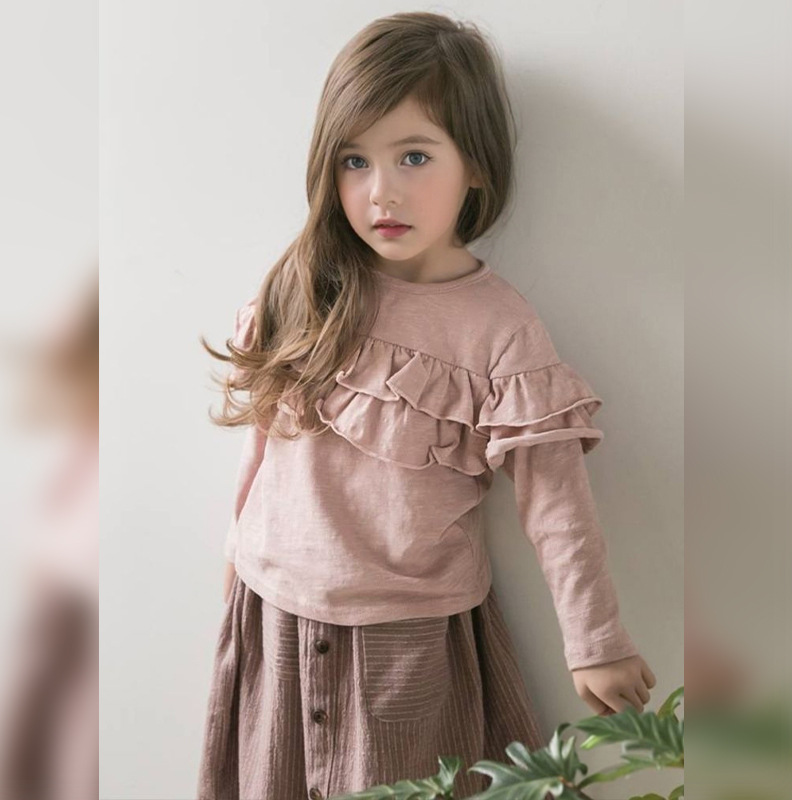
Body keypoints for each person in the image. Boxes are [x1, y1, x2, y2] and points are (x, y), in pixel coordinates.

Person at [196, 12, 656, 800]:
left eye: (414, 156)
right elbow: (266, 439)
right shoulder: (306, 282)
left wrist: (597, 642)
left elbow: (556, 504)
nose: (382, 192)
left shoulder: (497, 328)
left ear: (475, 163)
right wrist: (237, 553)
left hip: (407, 642)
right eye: (355, 161)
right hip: (272, 615)